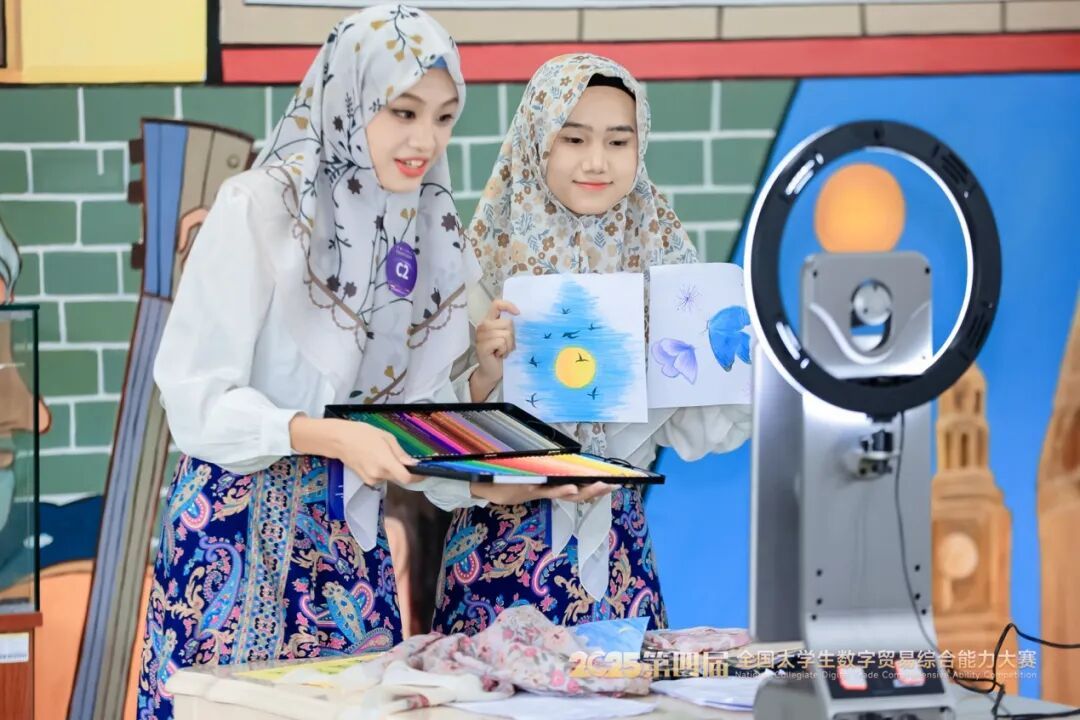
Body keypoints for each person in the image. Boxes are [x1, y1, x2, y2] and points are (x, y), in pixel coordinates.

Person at [138, 6, 486, 718]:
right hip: (235, 539)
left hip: (349, 549)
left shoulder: (422, 232)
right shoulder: (259, 208)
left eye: (444, 118)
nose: (425, 140)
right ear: (349, 96)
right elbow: (194, 398)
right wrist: (328, 436)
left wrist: (503, 460)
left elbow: (411, 424)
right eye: (403, 111)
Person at [432, 54, 751, 635]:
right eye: (573, 138)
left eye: (618, 141)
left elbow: (703, 427)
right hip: (498, 560)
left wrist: (726, 357)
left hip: (620, 553)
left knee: (623, 685)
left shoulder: (664, 266)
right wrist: (484, 375)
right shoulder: (475, 273)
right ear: (537, 142)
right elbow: (429, 455)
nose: (597, 161)